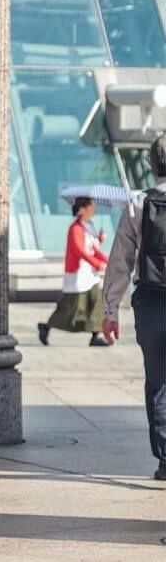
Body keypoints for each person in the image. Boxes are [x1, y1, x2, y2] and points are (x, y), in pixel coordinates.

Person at [102, 135, 166, 482]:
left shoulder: (137, 204)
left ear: (152, 165)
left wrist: (110, 310)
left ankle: (165, 459)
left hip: (151, 302)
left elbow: (120, 262)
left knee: (158, 382)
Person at [38, 197, 109, 348]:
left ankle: (96, 335)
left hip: (91, 274)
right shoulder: (75, 228)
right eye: (91, 206)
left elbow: (93, 248)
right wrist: (97, 263)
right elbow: (79, 250)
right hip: (79, 273)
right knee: (71, 306)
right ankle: (47, 326)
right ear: (82, 209)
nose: (94, 209)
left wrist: (104, 254)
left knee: (96, 301)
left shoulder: (89, 226)